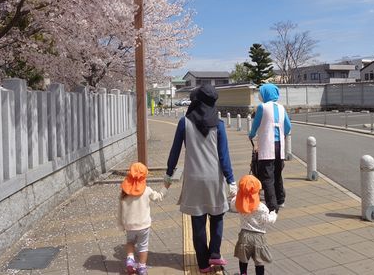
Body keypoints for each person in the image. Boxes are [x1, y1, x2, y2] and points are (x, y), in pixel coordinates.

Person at [164, 84, 237, 274]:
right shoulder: (219, 125)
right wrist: (231, 180)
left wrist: (169, 174)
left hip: (194, 179)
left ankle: (203, 263)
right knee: (217, 217)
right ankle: (215, 253)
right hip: (215, 179)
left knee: (198, 221)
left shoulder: (184, 122)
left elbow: (175, 151)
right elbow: (224, 156)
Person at [117, 162, 168, 275]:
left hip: (129, 225)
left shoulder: (124, 192)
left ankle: (130, 260)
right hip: (144, 225)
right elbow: (158, 197)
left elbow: (120, 211)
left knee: (130, 242)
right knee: (143, 246)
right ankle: (142, 267)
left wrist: (121, 225)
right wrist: (165, 187)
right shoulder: (147, 190)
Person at [248, 83, 291, 213]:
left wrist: (251, 134)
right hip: (280, 147)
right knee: (278, 173)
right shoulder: (281, 108)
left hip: (267, 146)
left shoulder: (262, 107)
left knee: (267, 177)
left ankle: (272, 206)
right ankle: (280, 199)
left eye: (261, 93)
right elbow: (288, 127)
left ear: (265, 94)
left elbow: (255, 126)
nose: (260, 95)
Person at [231, 175, 277, 275]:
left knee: (243, 258)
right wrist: (273, 213)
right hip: (259, 237)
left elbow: (232, 203)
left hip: (244, 236)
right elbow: (269, 220)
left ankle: (243, 273)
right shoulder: (262, 208)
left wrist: (236, 194)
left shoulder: (238, 204)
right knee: (259, 262)